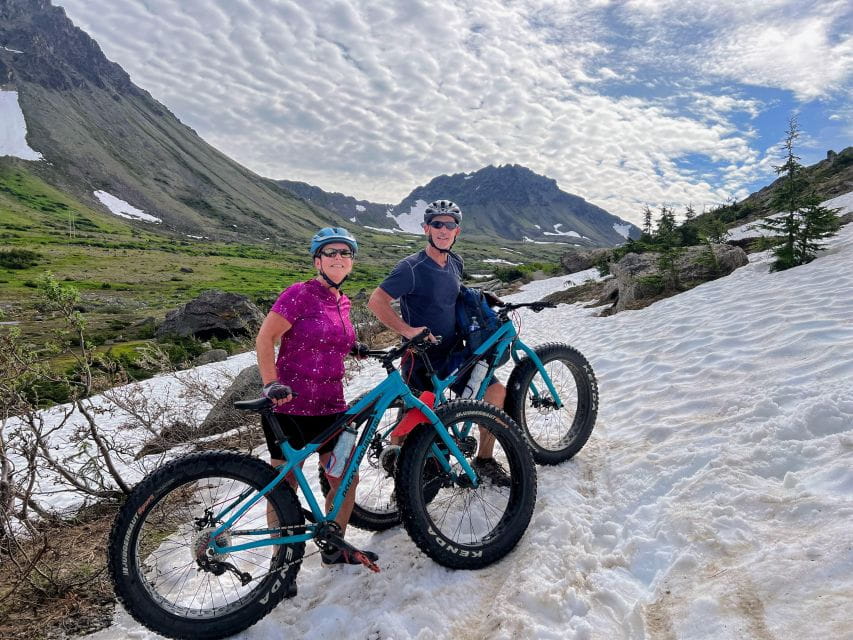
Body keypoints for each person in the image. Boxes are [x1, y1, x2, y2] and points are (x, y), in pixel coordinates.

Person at [255, 226, 377, 566]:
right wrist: (270, 383)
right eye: (331, 252)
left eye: (345, 253)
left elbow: (327, 335)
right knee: (285, 486)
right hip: (290, 405)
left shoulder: (343, 302)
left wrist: (352, 346)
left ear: (352, 262)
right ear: (317, 261)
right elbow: (265, 339)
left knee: (345, 478)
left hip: (331, 407)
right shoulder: (298, 294)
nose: (338, 258)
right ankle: (282, 562)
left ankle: (335, 546)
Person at [367, 200, 510, 486]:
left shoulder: (455, 261)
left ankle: (484, 459)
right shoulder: (411, 267)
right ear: (426, 229)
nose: (443, 230)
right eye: (437, 224)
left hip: (455, 352)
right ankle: (403, 485)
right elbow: (376, 301)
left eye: (450, 225)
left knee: (495, 394)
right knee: (412, 419)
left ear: (457, 231)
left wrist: (481, 299)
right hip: (421, 357)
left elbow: (452, 293)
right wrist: (407, 330)